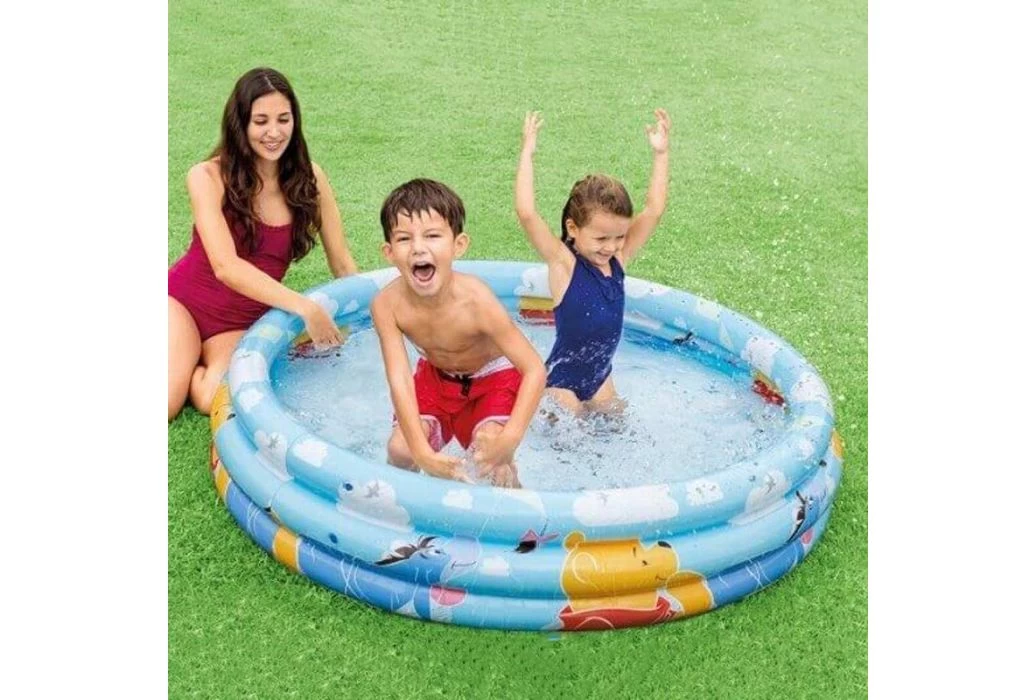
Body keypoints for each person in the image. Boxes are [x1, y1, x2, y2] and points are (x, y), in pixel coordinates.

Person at [168, 67, 359, 421]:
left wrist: (371, 319)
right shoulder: (207, 176)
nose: (274, 132)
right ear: (240, 124)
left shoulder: (310, 178)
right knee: (165, 401)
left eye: (283, 119)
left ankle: (190, 363)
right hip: (184, 303)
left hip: (241, 321)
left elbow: (342, 263)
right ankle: (180, 355)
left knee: (217, 398)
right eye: (261, 121)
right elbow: (225, 266)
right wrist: (305, 307)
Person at [370, 179, 546, 488]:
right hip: (436, 378)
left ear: (458, 245)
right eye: (404, 238)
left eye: (432, 235)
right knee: (400, 450)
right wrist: (423, 453)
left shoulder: (477, 301)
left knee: (493, 458)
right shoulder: (387, 305)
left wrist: (510, 439)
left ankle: (516, 512)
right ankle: (403, 506)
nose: (418, 248)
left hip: (494, 379)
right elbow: (399, 379)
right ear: (389, 252)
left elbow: (534, 369)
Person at [514, 109, 671, 416]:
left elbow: (653, 210)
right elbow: (527, 213)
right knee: (570, 434)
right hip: (561, 384)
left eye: (619, 237)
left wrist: (661, 154)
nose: (611, 247)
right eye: (601, 239)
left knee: (619, 428)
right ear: (573, 228)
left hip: (601, 379)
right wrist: (527, 153)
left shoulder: (619, 260)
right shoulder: (564, 263)